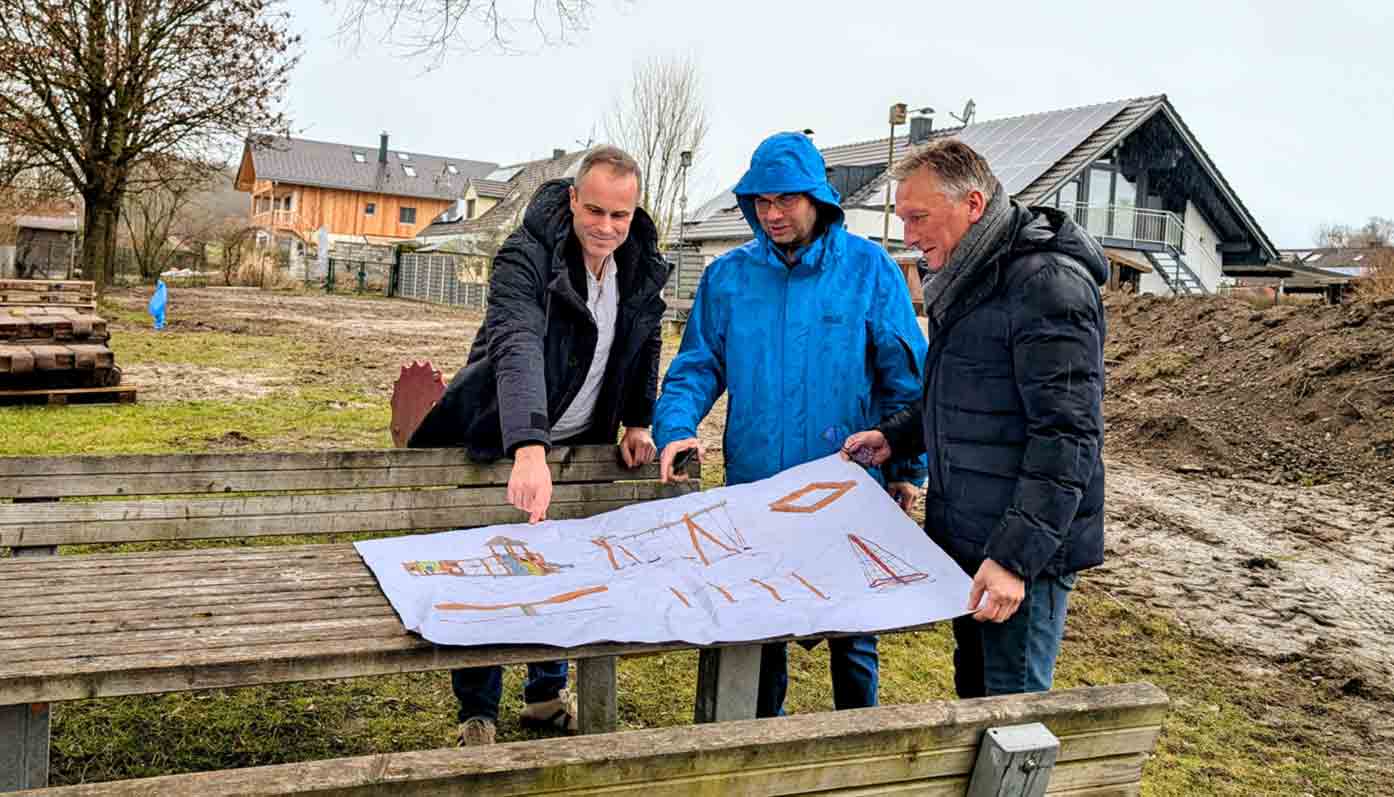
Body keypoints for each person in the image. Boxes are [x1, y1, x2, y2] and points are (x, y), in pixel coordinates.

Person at [653, 131, 927, 718]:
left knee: (853, 634)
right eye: (760, 202)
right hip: (756, 489)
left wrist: (908, 469)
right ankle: (757, 744)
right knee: (757, 627)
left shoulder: (869, 270)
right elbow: (696, 366)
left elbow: (904, 379)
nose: (772, 214)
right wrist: (676, 427)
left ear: (817, 199)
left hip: (848, 488)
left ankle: (858, 744)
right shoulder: (729, 278)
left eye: (785, 201)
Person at [407, 146, 671, 745]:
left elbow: (644, 337)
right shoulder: (525, 257)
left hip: (582, 439)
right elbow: (518, 343)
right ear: (574, 198)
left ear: (635, 212)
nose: (606, 227)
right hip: (503, 434)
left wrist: (637, 420)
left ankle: (546, 698)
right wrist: (528, 444)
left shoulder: (640, 263)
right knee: (488, 572)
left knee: (560, 569)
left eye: (620, 216)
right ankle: (477, 710)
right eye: (596, 210)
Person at [842, 139, 1108, 699]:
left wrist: (1014, 559)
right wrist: (896, 437)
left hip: (1021, 558)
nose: (908, 235)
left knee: (1010, 716)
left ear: (973, 203)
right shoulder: (971, 277)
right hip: (972, 539)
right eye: (903, 218)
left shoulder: (1046, 286)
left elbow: (1066, 437)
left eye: (918, 218)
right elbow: (964, 392)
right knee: (976, 698)